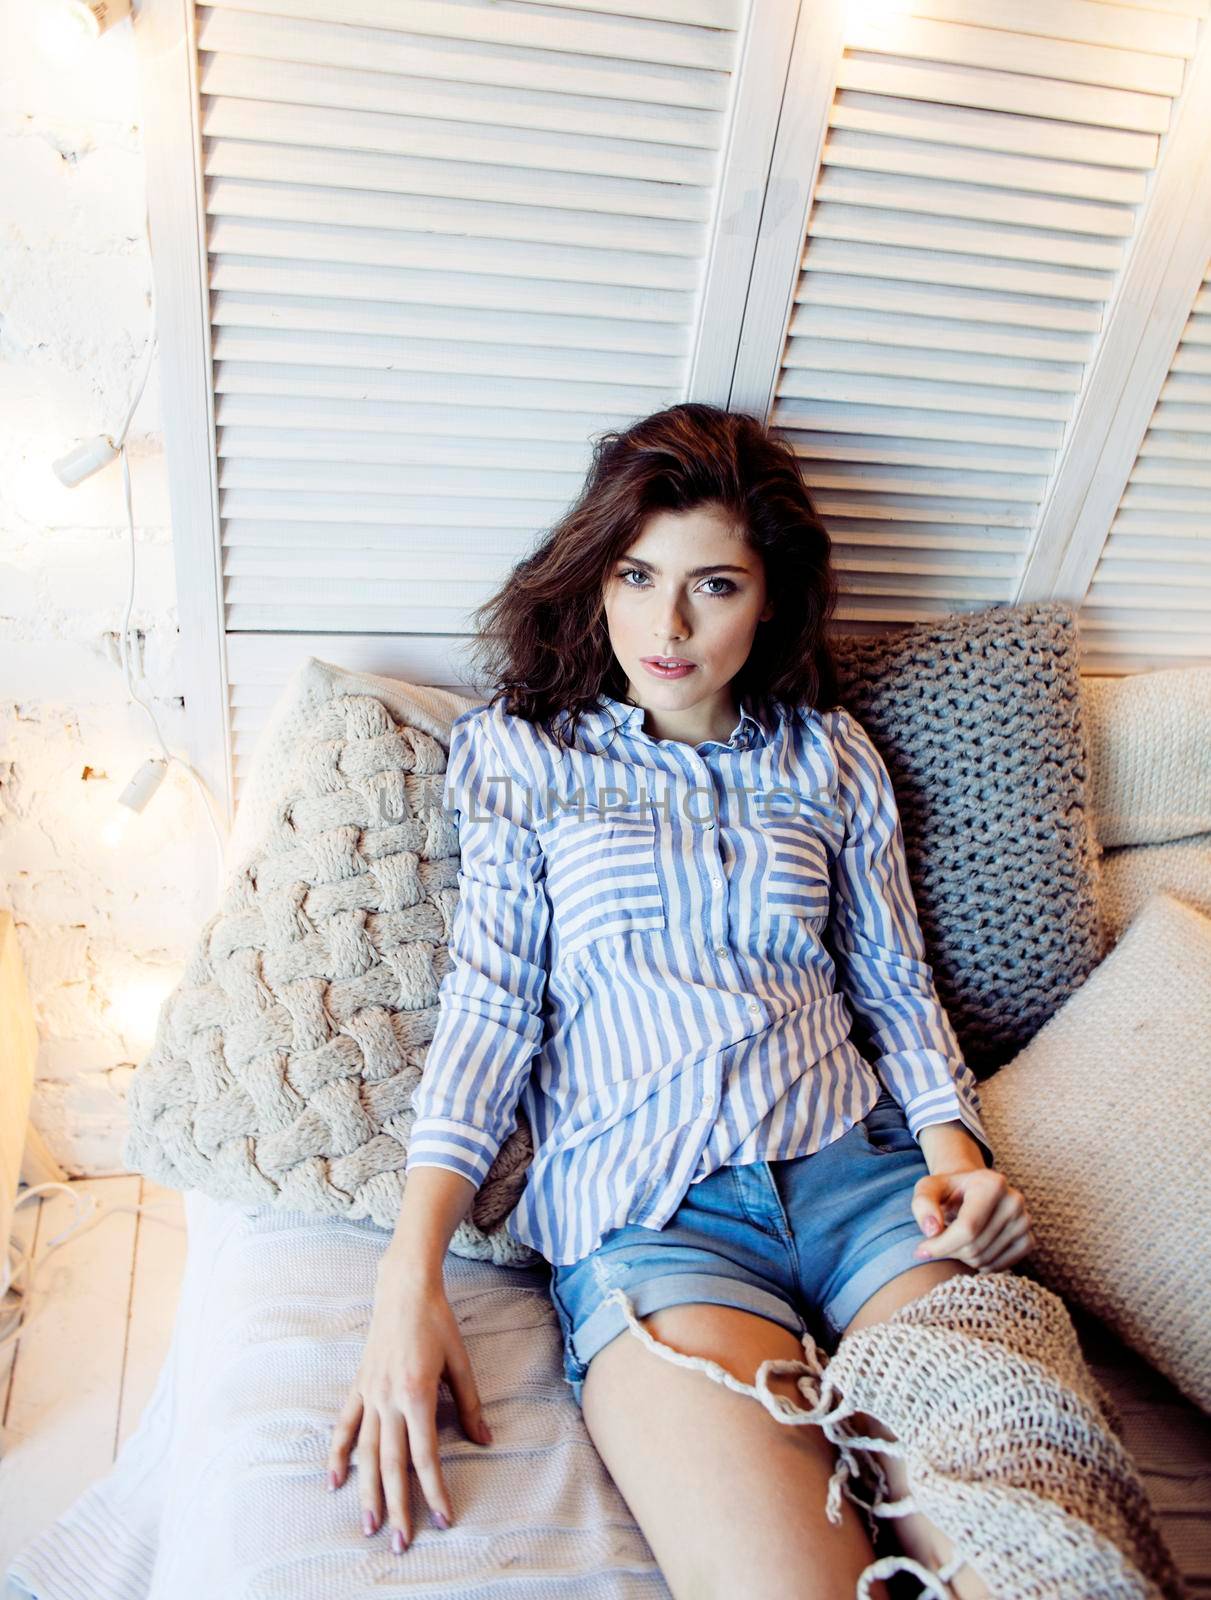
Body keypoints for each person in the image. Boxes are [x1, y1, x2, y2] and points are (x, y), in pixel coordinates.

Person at [325, 403, 1036, 1596]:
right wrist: (411, 1276)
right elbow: (490, 1008)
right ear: (593, 576)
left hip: (865, 1189)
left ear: (768, 598)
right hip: (655, 1225)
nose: (665, 624)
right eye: (635, 574)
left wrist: (959, 1158)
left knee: (1026, 1558)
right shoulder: (521, 754)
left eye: (712, 584)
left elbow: (893, 989)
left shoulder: (829, 755)